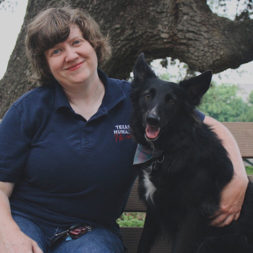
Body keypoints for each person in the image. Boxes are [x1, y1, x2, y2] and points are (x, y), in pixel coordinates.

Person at [0, 6, 248, 253]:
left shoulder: (137, 99)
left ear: (93, 44)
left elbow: (213, 128)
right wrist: (10, 234)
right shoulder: (29, 108)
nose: (71, 55)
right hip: (26, 221)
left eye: (76, 42)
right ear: (45, 63)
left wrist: (238, 178)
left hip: (91, 231)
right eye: (56, 51)